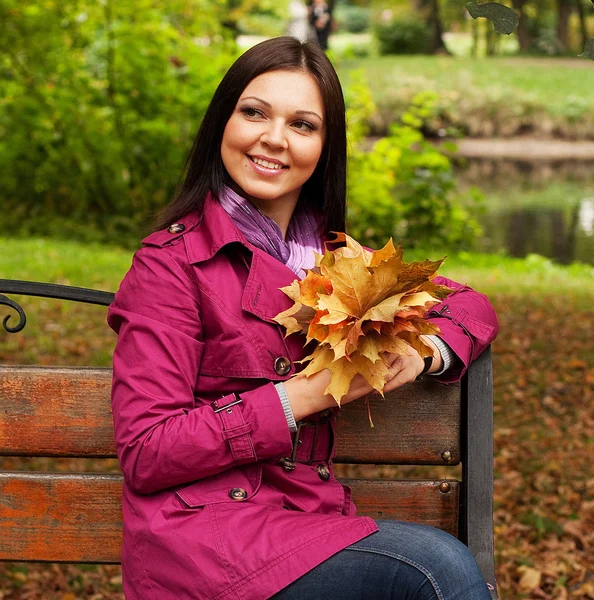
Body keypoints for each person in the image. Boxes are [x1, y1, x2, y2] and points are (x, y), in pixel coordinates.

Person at [107, 36, 498, 600]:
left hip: (307, 525)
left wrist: (425, 351)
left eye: (302, 124)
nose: (273, 138)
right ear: (224, 121)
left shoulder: (338, 259)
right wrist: (303, 396)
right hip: (206, 543)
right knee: (437, 571)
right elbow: (147, 448)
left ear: (324, 146)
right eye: (254, 113)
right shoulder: (171, 265)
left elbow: (471, 305)